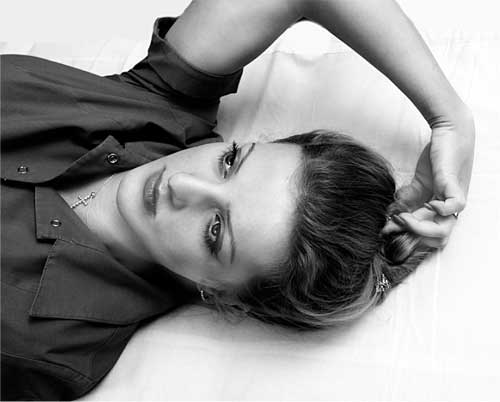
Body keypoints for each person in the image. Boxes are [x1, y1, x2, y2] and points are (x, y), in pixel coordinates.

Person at [1, 0, 475, 399]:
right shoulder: (157, 111)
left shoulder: (42, 346)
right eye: (228, 162)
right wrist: (451, 119)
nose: (180, 185)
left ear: (224, 295)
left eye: (215, 229)